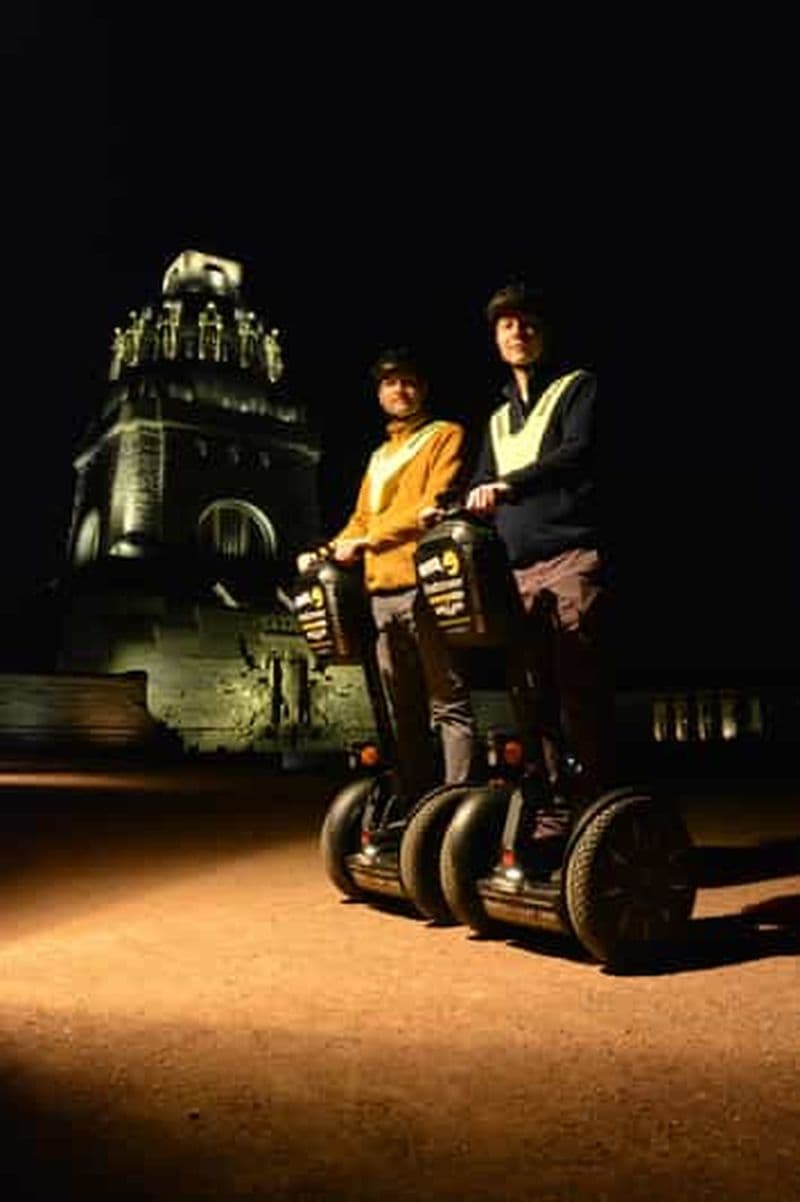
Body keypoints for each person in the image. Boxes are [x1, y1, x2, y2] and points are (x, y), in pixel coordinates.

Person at [298, 348, 476, 802]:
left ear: (423, 390)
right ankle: (416, 803)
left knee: (448, 703)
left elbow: (430, 507)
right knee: (402, 712)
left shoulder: (444, 435)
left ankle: (453, 804)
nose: (401, 390)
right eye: (391, 383)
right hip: (380, 596)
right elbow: (360, 520)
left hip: (428, 587)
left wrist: (367, 541)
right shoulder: (379, 457)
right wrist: (323, 552)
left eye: (410, 381)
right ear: (380, 393)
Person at [466, 281, 613, 806]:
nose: (517, 332)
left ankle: (597, 806)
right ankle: (556, 804)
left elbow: (578, 452)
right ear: (496, 339)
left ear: (543, 333)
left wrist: (512, 485)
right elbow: (481, 478)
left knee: (579, 689)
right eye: (507, 325)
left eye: (527, 323)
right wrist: (448, 505)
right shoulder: (498, 419)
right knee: (533, 698)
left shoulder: (577, 387)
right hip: (516, 570)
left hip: (570, 556)